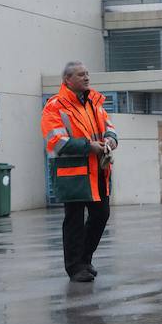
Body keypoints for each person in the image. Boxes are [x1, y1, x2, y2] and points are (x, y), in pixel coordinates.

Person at [40, 61, 118, 282]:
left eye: (87, 74)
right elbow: (56, 141)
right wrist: (89, 146)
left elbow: (109, 127)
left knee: (101, 214)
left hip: (97, 170)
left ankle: (84, 259)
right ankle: (75, 267)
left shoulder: (94, 102)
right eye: (81, 75)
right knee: (73, 220)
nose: (86, 78)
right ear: (67, 80)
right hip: (72, 173)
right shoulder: (54, 106)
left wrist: (111, 140)